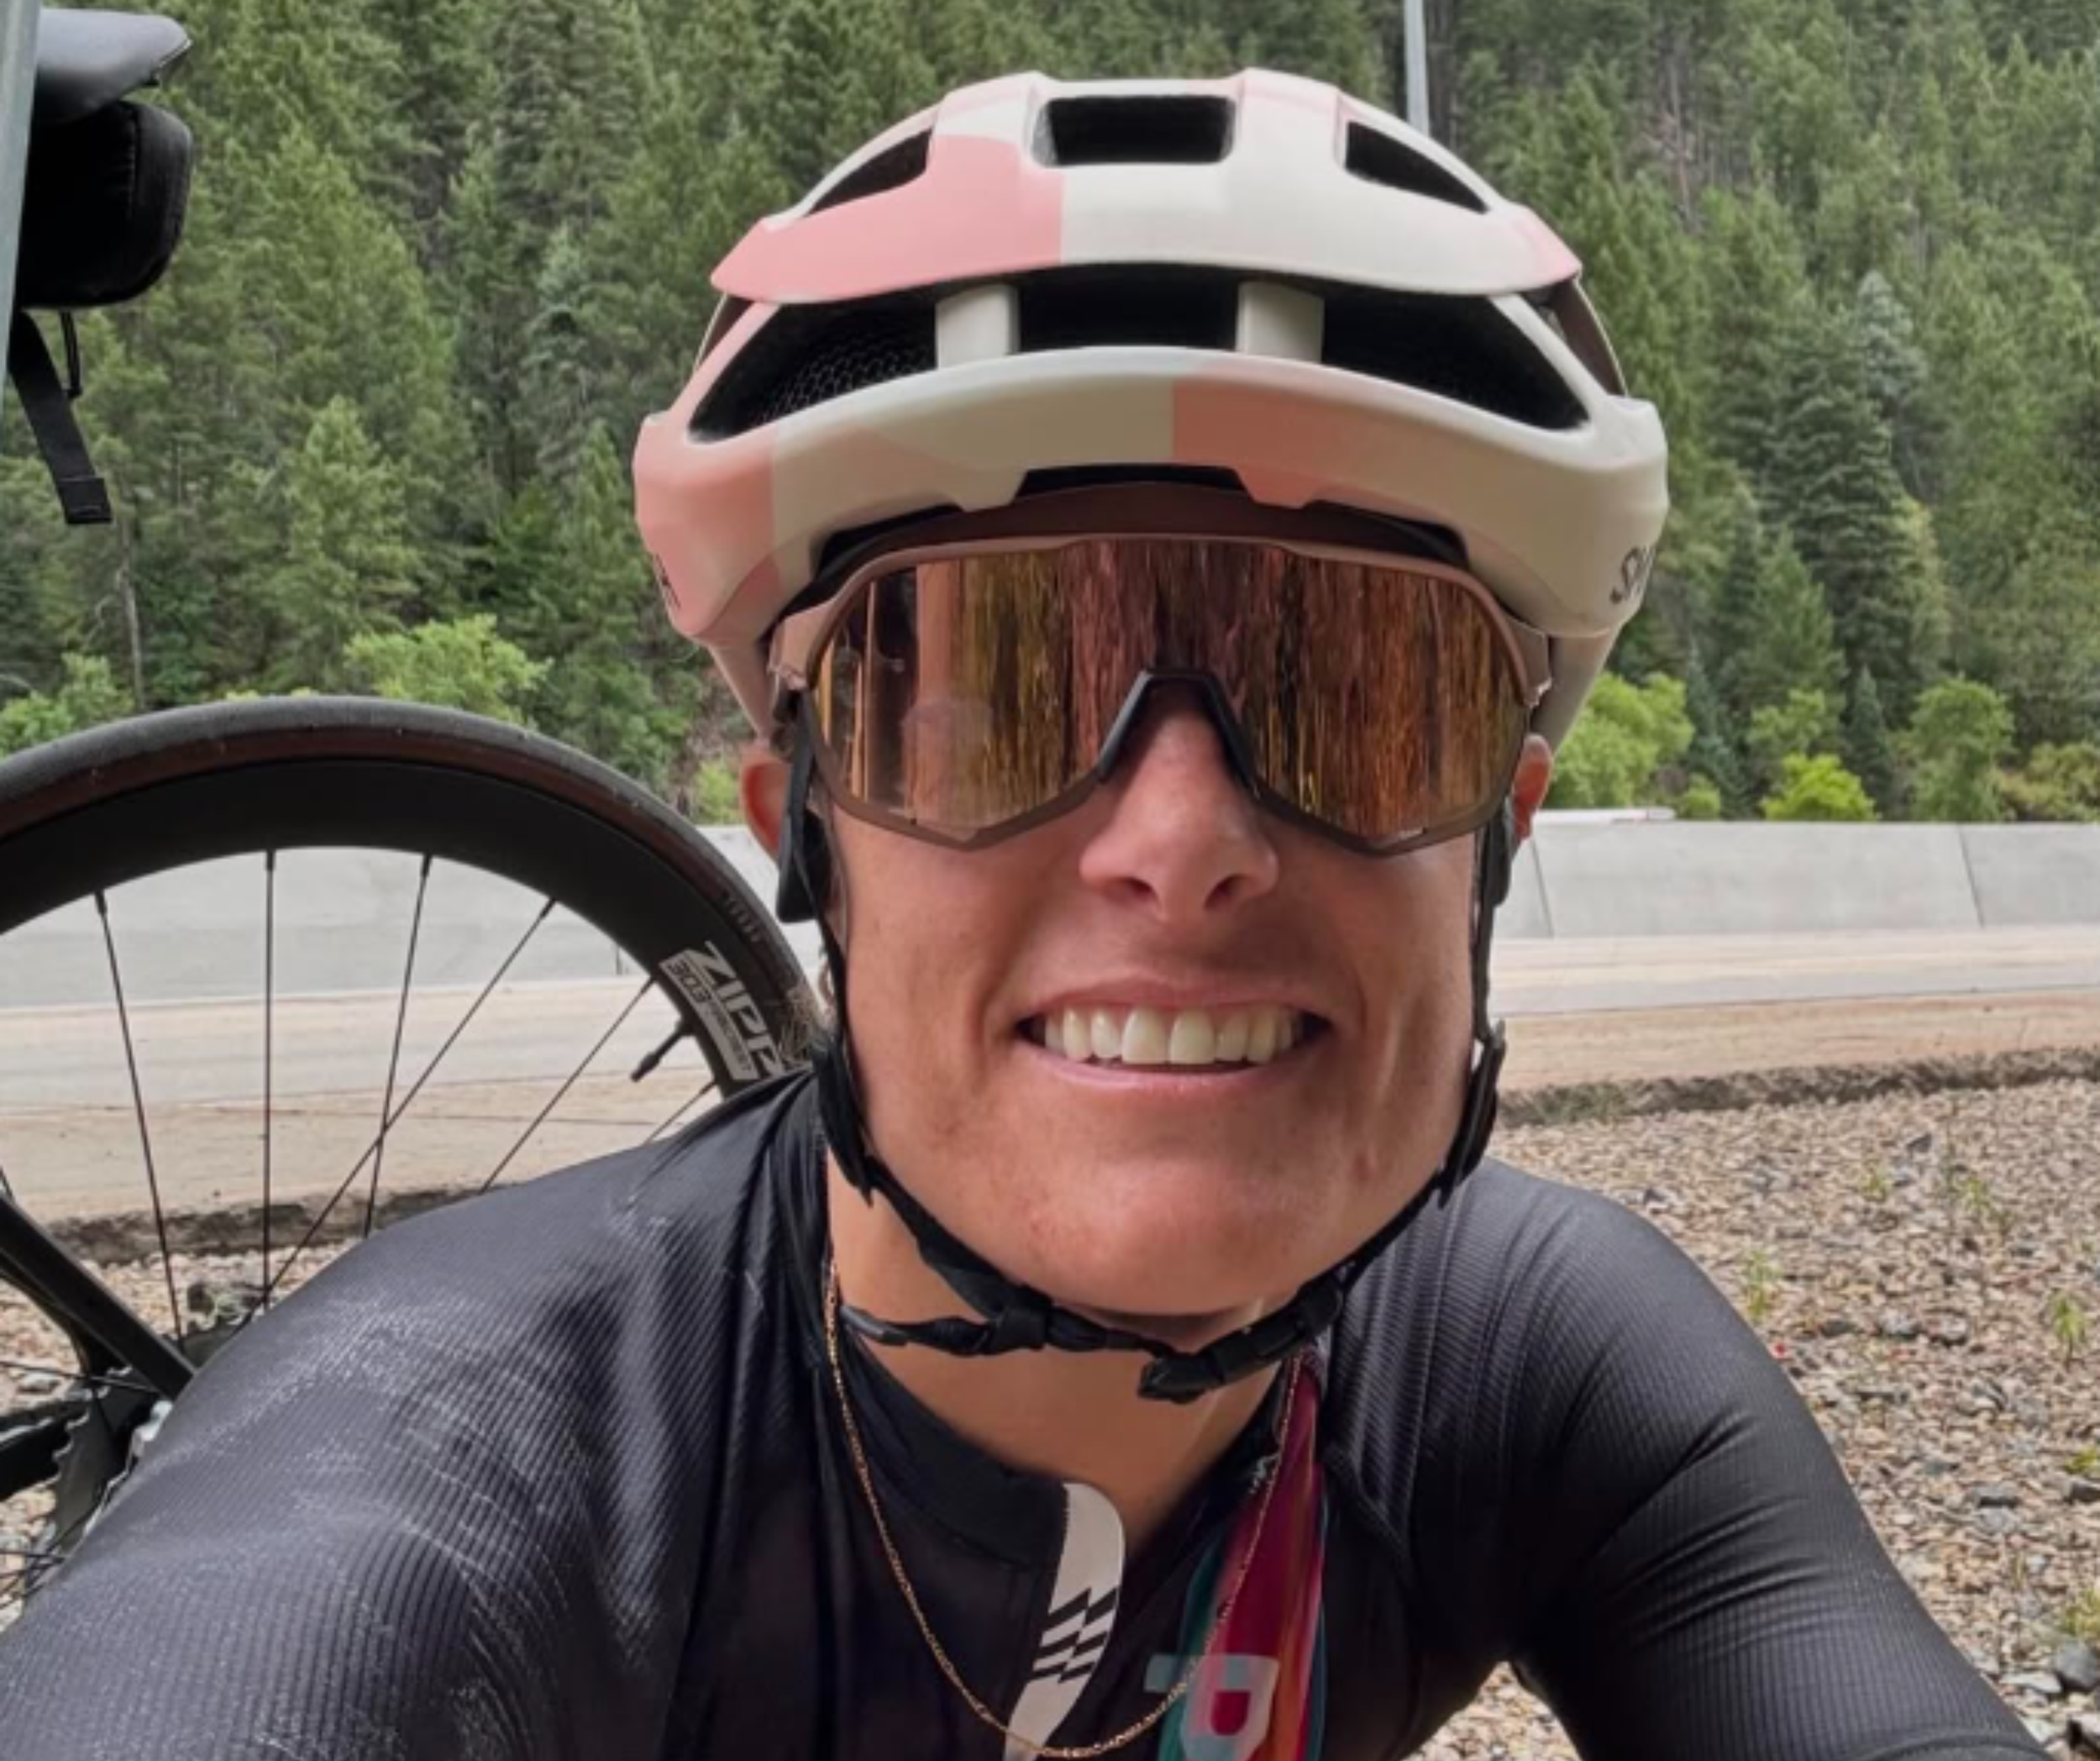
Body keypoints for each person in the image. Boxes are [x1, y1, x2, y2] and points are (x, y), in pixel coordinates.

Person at [0, 68, 2045, 1761]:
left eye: (1354, 693)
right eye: (990, 692)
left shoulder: (1522, 1358)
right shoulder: (450, 1460)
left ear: (1494, 845)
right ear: (800, 835)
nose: (1179, 837)